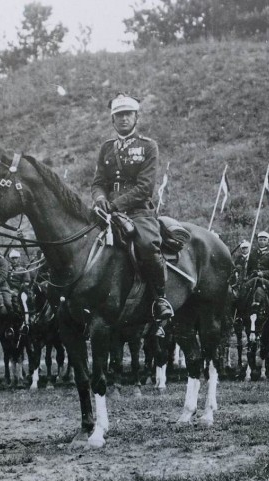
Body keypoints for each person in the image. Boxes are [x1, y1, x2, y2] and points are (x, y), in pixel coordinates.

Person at [91, 92, 172, 321]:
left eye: (128, 114)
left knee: (147, 245)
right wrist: (99, 199)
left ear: (136, 117)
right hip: (106, 210)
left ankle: (160, 298)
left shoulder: (148, 146)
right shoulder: (106, 148)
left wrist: (114, 205)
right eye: (119, 115)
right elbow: (98, 183)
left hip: (138, 212)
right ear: (112, 119)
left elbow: (145, 187)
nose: (123, 119)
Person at [6, 249, 34, 314]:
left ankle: (19, 316)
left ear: (19, 259)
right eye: (13, 259)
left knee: (15, 300)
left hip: (19, 290)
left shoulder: (23, 270)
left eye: (16, 258)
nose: (14, 260)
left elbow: (26, 282)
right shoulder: (8, 269)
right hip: (8, 289)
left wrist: (19, 291)